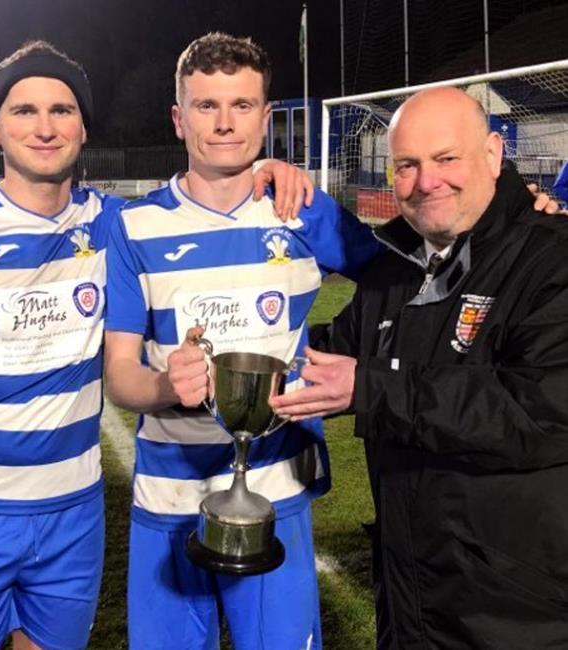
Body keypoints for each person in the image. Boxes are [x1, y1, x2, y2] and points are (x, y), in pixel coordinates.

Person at [0, 39, 312, 650]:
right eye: (24, 111)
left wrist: (266, 169)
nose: (45, 127)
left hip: (72, 513)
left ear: (82, 127)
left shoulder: (114, 224)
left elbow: (197, 199)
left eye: (62, 110)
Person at [103, 32, 383, 650]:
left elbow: (401, 280)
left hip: (278, 487)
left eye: (242, 106)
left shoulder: (303, 209)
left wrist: (346, 354)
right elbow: (118, 373)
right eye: (206, 106)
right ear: (179, 118)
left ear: (265, 114)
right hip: (168, 493)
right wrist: (162, 386)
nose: (225, 124)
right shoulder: (132, 225)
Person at [271, 87, 568, 649]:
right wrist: (227, 358)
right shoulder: (399, 270)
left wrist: (371, 387)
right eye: (407, 165)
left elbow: (537, 412)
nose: (426, 181)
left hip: (518, 617)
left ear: (493, 154)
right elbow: (325, 355)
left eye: (446, 159)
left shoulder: (550, 258)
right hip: (410, 606)